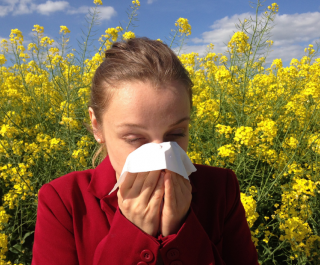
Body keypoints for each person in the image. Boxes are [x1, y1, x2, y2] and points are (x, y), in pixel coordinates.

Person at [31, 37, 259, 265]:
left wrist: (181, 229)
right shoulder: (64, 202)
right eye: (134, 138)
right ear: (97, 126)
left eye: (176, 134)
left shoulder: (220, 189)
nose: (160, 157)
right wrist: (132, 233)